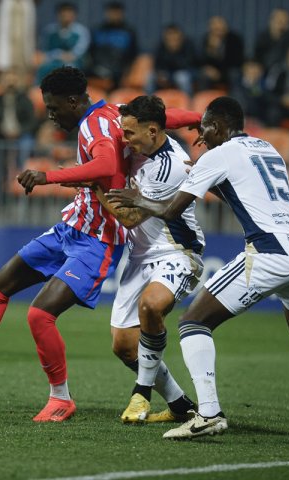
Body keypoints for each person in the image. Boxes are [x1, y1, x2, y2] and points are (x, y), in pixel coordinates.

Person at [0, 67, 200, 422]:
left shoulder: (94, 127)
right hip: (71, 226)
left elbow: (104, 162)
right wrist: (198, 118)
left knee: (41, 315)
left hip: (97, 241)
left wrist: (49, 177)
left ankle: (61, 398)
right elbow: (164, 117)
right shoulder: (114, 112)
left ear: (74, 101)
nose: (51, 115)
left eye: (55, 108)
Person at [106, 96, 289, 444]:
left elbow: (170, 211)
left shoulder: (218, 154)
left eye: (205, 130)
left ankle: (208, 413)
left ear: (219, 126)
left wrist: (138, 199)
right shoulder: (268, 148)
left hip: (269, 253)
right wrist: (206, 178)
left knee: (194, 323)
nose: (201, 138)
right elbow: (242, 193)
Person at [97, 96, 204, 424]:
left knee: (151, 306)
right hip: (140, 256)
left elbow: (129, 218)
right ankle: (180, 405)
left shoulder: (170, 166)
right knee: (124, 345)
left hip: (177, 252)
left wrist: (94, 187)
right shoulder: (142, 144)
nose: (124, 139)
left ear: (153, 132)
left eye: (130, 133)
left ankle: (140, 394)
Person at [86, 2, 139, 89]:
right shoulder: (98, 30)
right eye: (111, 12)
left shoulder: (129, 32)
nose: (114, 15)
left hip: (119, 70)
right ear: (107, 13)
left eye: (117, 12)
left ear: (122, 14)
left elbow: (133, 54)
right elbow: (91, 52)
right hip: (98, 68)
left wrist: (125, 70)